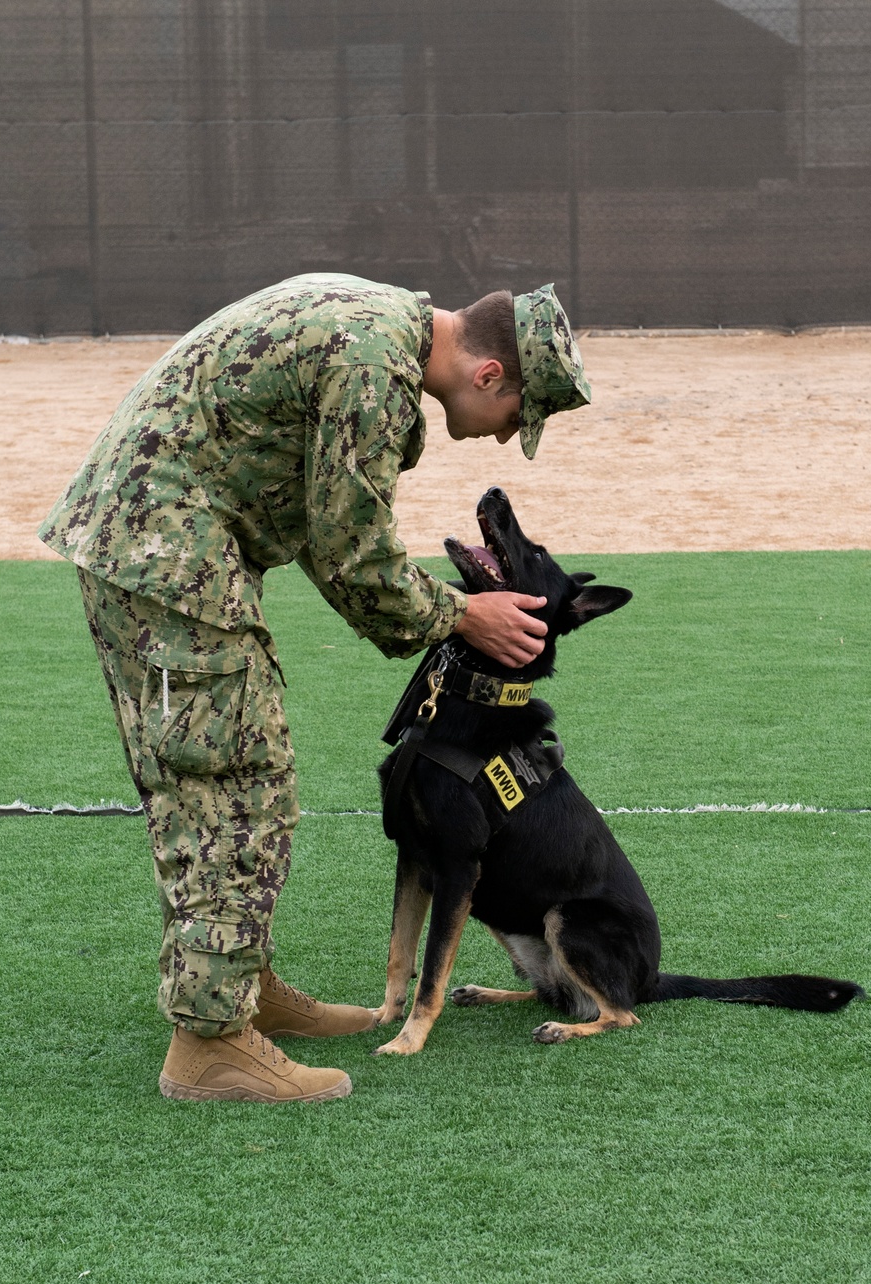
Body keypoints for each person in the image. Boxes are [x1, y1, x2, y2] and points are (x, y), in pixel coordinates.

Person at [39, 272, 590, 1104]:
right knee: (234, 786)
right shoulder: (376, 371)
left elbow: (323, 516)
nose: (507, 439)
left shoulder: (378, 322)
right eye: (517, 418)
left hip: (163, 544)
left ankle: (242, 988)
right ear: (489, 377)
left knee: (228, 773)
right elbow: (353, 557)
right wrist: (462, 617)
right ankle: (211, 1044)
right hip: (169, 559)